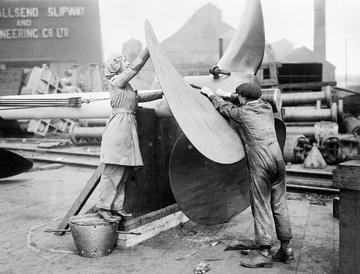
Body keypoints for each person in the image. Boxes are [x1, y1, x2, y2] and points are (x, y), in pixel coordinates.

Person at [201, 82, 294, 268]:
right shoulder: (267, 108)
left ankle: (264, 253)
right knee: (279, 205)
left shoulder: (242, 114)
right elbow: (243, 99)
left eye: (239, 97)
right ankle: (287, 249)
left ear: (243, 99)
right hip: (278, 162)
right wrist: (230, 93)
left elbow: (224, 108)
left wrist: (211, 94)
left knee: (261, 206)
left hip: (262, 164)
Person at [96, 48, 162, 223]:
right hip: (119, 131)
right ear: (117, 67)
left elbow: (139, 97)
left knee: (123, 173)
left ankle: (117, 207)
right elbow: (135, 67)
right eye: (124, 61)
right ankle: (103, 206)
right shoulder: (117, 81)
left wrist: (162, 93)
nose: (127, 63)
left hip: (126, 131)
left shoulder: (126, 87)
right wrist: (148, 50)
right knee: (113, 173)